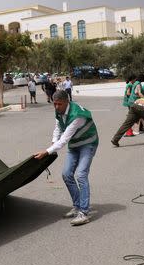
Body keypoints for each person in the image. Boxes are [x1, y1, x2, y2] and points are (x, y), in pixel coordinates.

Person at [33, 90, 98, 226]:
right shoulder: (59, 110)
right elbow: (58, 127)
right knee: (67, 174)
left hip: (88, 143)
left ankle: (84, 213)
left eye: (59, 104)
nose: (56, 107)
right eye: (54, 104)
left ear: (67, 102)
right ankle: (77, 206)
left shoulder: (77, 115)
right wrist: (53, 141)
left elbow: (64, 139)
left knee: (81, 175)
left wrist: (47, 151)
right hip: (75, 144)